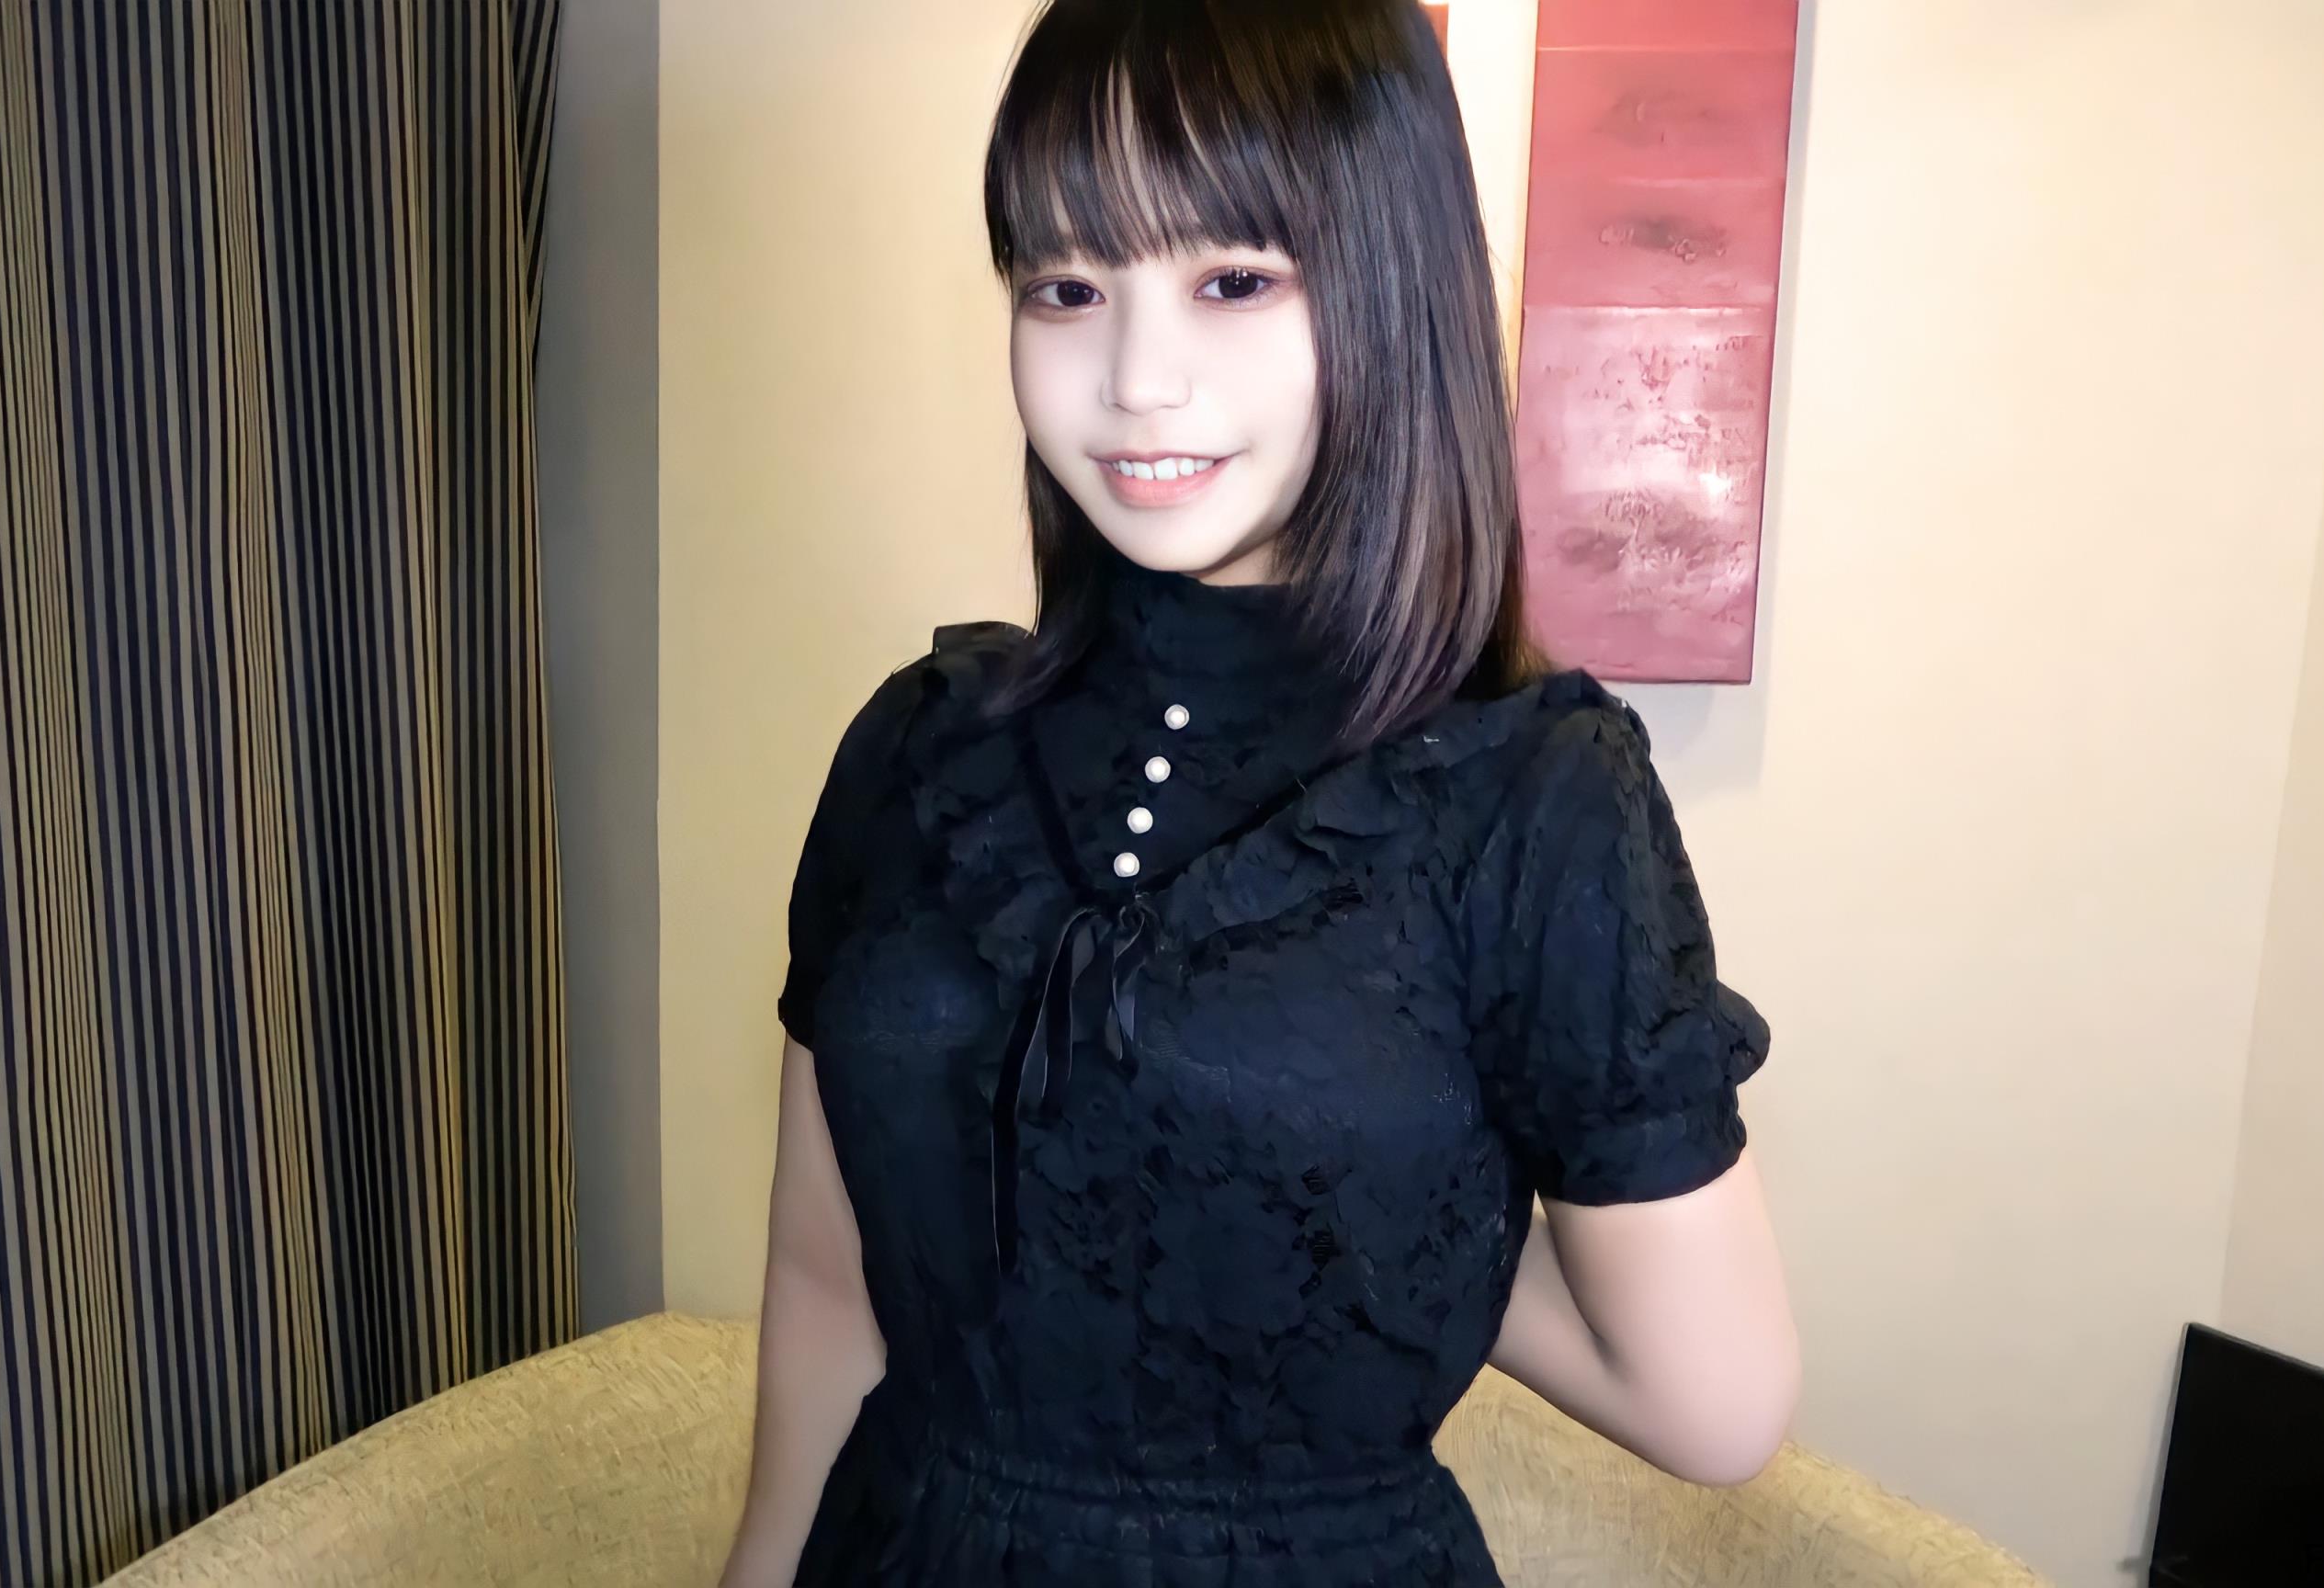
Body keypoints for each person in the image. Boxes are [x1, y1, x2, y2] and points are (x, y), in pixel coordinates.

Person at [722, 1, 1797, 1582]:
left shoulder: (1527, 800)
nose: (1137, 378)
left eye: (1232, 279)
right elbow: (828, 1289)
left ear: (1388, 281)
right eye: (1068, 287)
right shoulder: (917, 752)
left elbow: (1715, 1403)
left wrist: (1404, 1210)